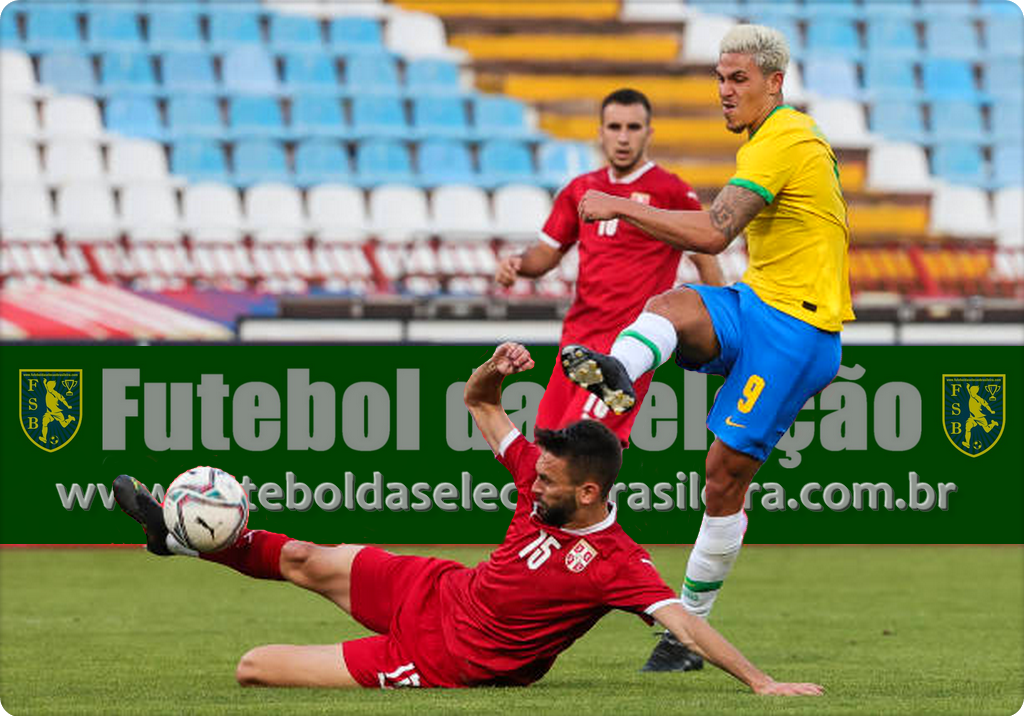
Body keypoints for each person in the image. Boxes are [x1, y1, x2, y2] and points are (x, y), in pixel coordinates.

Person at [113, 342, 822, 696]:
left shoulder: (616, 564)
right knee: (299, 554)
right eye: (535, 469)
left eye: (547, 478)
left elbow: (684, 622)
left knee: (252, 668)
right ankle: (177, 539)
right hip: (441, 590)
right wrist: (494, 369)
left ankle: (182, 539)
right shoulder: (540, 478)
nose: (530, 478)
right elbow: (480, 404)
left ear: (587, 494)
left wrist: (761, 683)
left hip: (448, 659)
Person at [560, 25, 854, 672]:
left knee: (721, 480)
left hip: (799, 331)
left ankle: (687, 631)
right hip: (760, 301)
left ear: (775, 83)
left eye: (739, 79)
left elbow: (714, 234)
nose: (725, 91)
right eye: (720, 78)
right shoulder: (768, 140)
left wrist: (619, 205)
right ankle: (620, 369)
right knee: (671, 305)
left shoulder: (784, 139)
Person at [495, 88, 724, 446]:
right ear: (600, 132)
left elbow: (705, 256)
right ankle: (599, 505)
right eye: (614, 126)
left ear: (648, 133)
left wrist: (721, 333)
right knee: (546, 454)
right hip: (575, 346)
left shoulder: (671, 191)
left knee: (581, 452)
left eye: (633, 127)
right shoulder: (581, 189)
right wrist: (517, 265)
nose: (622, 137)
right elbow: (546, 254)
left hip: (625, 351)